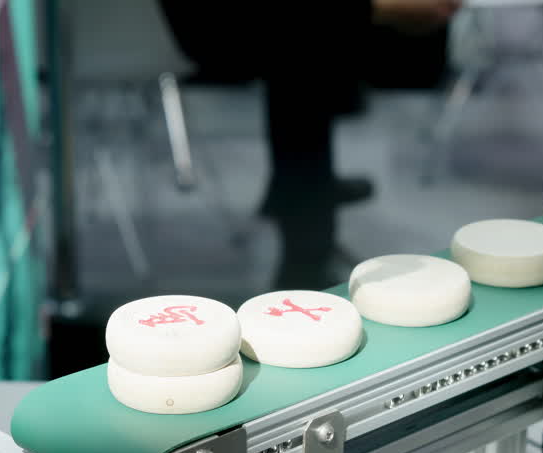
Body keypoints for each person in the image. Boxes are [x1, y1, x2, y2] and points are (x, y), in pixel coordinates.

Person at [160, 0, 463, 286]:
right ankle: (304, 238)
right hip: (210, 26)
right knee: (302, 46)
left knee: (310, 44)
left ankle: (304, 189)